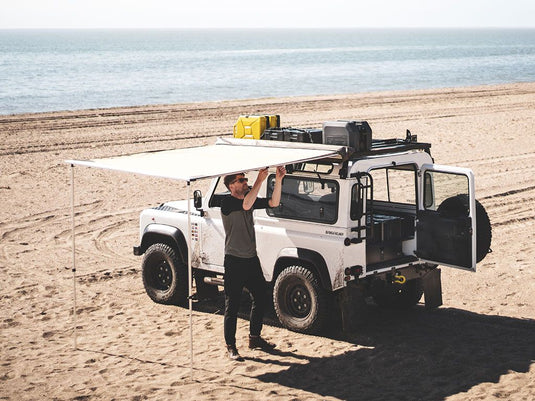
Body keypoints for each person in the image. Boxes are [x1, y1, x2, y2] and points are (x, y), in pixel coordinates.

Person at [221, 166, 286, 361]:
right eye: (241, 180)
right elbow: (247, 205)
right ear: (232, 186)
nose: (245, 183)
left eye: (245, 180)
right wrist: (260, 180)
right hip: (234, 261)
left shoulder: (248, 198)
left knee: (260, 296)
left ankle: (254, 338)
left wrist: (279, 179)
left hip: (251, 259)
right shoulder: (227, 202)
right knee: (231, 305)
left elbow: (274, 202)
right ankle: (231, 346)